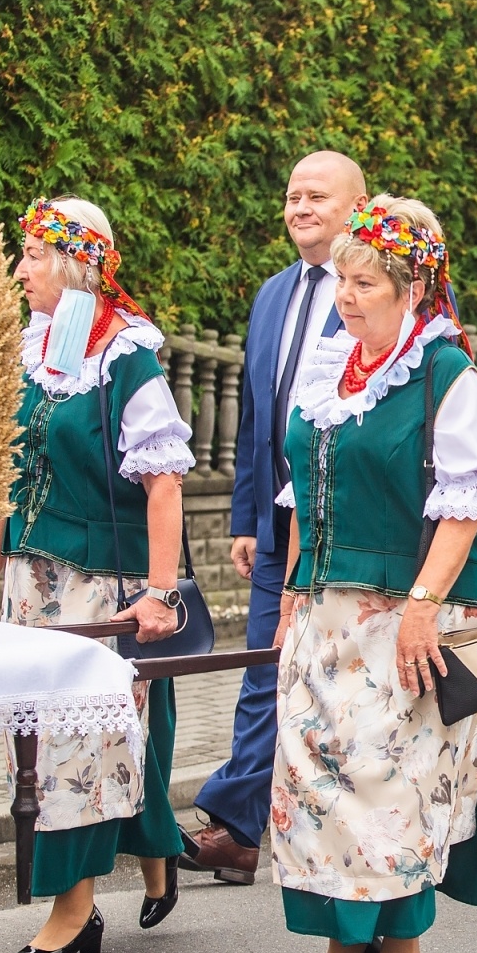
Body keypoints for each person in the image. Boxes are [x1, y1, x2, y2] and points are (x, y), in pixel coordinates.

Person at [270, 195, 477, 953]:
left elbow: (464, 505)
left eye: (366, 283)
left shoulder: (446, 372)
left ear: (412, 288)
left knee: (386, 785)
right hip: (326, 613)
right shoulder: (328, 370)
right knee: (312, 781)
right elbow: (303, 487)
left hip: (412, 613)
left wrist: (420, 610)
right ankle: (344, 944)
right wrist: (293, 596)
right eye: (344, 282)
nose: (349, 297)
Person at [0, 196, 196, 953]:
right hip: (29, 585)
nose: (20, 268)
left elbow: (165, 483)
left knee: (80, 748)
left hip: (100, 585)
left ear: (76, 263)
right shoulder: (36, 349)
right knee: (38, 744)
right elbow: (7, 467)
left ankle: (72, 913)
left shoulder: (128, 359)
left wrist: (160, 594)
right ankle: (152, 854)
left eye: (34, 253)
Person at [181, 151, 368, 884]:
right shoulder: (272, 295)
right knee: (266, 666)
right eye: (292, 196)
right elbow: (258, 414)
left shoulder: (370, 294)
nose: (299, 208)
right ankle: (237, 826)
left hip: (345, 524)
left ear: (357, 205)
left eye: (317, 196)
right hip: (276, 525)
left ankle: (345, 821)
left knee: (338, 678)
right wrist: (247, 516)